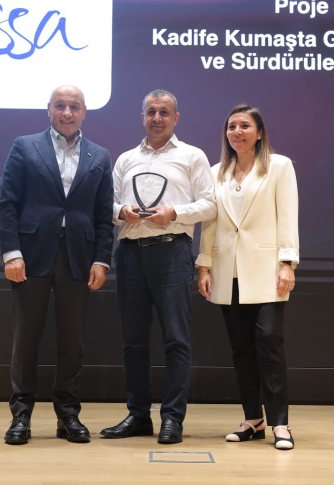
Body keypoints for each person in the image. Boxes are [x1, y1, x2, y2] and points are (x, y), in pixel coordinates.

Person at [0, 85, 114, 445]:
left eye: (74, 106)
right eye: (60, 105)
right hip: (31, 256)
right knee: (26, 339)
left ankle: (68, 415)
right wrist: (11, 252)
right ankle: (21, 415)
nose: (67, 112)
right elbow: (7, 204)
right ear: (48, 109)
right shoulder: (24, 146)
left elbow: (103, 216)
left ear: (84, 112)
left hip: (78, 257)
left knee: (72, 342)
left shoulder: (99, 155)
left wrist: (101, 259)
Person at [100, 89, 216, 444]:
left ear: (176, 117)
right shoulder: (126, 159)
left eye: (164, 112)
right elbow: (107, 205)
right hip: (130, 255)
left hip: (172, 252)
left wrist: (174, 213)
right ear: (142, 117)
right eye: (151, 112)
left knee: (176, 340)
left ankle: (172, 418)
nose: (157, 118)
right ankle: (138, 416)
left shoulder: (192, 156)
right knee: (133, 342)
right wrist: (122, 212)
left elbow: (210, 205)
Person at [196, 103, 299, 450]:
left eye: (244, 126)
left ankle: (280, 423)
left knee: (269, 343)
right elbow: (210, 222)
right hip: (229, 273)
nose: (237, 132)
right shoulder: (216, 172)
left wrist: (288, 262)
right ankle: (253, 419)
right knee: (241, 349)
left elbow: (288, 216)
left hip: (267, 271)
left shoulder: (279, 166)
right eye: (231, 126)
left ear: (259, 133)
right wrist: (204, 265)